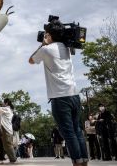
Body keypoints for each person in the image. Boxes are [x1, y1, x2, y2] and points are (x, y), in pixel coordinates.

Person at [29, 19, 88, 166]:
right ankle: (84, 161)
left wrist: (43, 43)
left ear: (49, 35)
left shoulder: (46, 49)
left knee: (68, 133)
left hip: (60, 97)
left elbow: (31, 60)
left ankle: (77, 162)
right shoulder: (66, 47)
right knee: (77, 131)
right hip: (74, 95)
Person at [0, 98, 17, 163]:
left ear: (6, 103)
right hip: (4, 130)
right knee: (5, 146)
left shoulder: (7, 109)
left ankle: (13, 159)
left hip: (7, 130)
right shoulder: (3, 111)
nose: (2, 103)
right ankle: (11, 159)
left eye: (3, 102)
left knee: (9, 145)